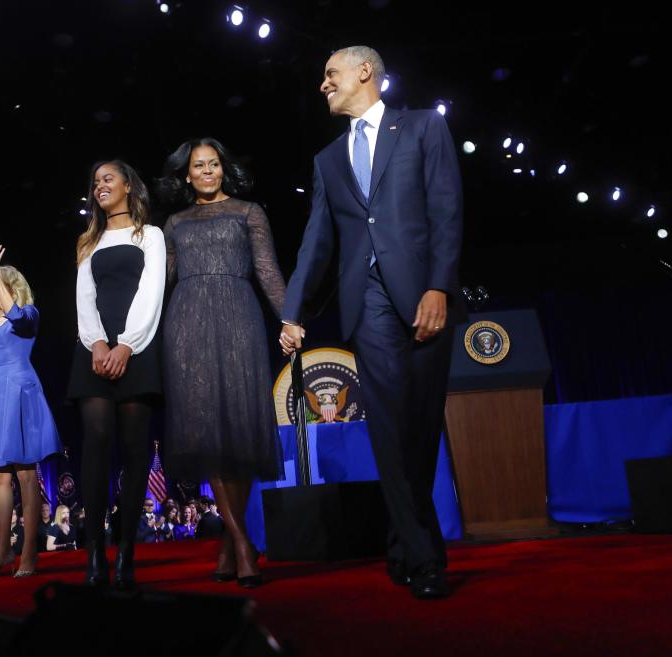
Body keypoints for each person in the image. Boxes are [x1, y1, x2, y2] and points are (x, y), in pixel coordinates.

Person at [279, 45, 464, 599]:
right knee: (387, 425)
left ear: (365, 72)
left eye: (329, 73)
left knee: (422, 426)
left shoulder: (425, 128)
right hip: (370, 306)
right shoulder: (328, 160)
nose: (323, 85)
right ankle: (427, 558)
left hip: (426, 295)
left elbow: (447, 210)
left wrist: (439, 287)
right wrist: (293, 310)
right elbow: (316, 244)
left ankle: (402, 541)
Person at [158, 137, 286, 588]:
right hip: (187, 325)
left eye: (214, 164)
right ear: (187, 174)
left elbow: (267, 270)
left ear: (222, 169)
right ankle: (243, 544)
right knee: (208, 430)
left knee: (241, 432)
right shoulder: (174, 222)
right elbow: (163, 281)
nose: (208, 171)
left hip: (240, 321)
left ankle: (231, 543)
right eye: (199, 166)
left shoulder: (249, 212)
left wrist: (288, 319)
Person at [66, 160, 165, 590]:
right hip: (94, 351)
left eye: (109, 178)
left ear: (128, 185)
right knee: (97, 441)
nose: (100, 185)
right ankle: (94, 553)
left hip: (136, 350)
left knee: (135, 448)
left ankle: (126, 550)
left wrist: (127, 343)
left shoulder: (151, 235)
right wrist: (99, 343)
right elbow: (84, 296)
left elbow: (151, 291)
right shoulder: (89, 240)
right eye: (96, 181)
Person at [0, 244, 62, 579]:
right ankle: (1, 552)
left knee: (26, 474)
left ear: (13, 288)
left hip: (19, 394)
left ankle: (29, 552)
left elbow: (16, 316)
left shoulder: (28, 315)